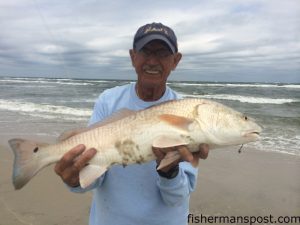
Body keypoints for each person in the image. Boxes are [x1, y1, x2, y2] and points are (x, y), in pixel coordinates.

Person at [54, 22, 209, 225]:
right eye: (145, 51)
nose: (152, 61)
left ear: (175, 61)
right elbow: (94, 177)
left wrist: (169, 171)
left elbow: (176, 199)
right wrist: (74, 180)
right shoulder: (108, 101)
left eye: (162, 53)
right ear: (133, 57)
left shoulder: (186, 113)